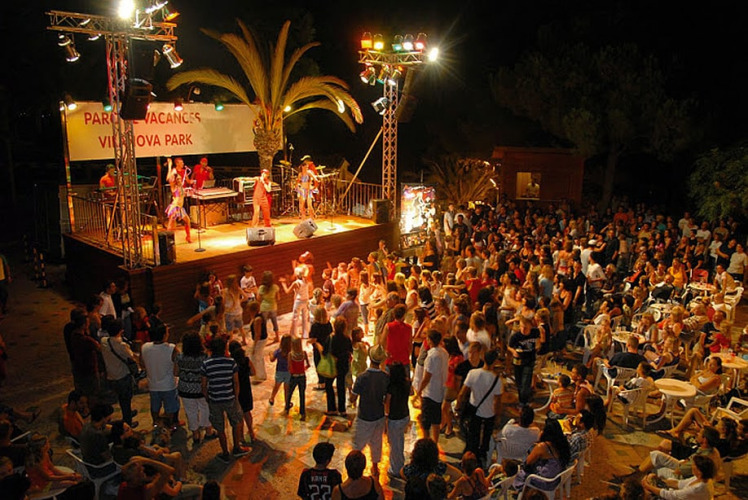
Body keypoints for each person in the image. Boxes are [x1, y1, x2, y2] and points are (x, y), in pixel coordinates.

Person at [200, 336, 250, 462]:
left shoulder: (206, 364)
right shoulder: (231, 362)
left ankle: (225, 453)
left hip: (214, 399)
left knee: (220, 427)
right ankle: (237, 447)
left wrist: (207, 397)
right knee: (236, 422)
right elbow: (236, 382)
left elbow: (204, 385)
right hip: (229, 398)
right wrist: (236, 397)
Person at [456, 349, 503, 467]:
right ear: (495, 362)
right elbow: (497, 402)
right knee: (485, 439)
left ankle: (469, 460)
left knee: (472, 438)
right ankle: (482, 459)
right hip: (489, 413)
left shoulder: (473, 373)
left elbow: (462, 393)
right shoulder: (497, 380)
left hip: (474, 411)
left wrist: (458, 407)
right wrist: (498, 416)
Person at [350, 344, 388, 478]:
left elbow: (353, 398)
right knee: (376, 443)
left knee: (357, 445)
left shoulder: (362, 377)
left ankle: (355, 470)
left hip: (364, 416)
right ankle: (375, 468)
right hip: (379, 415)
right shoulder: (385, 377)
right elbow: (386, 398)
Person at [176, 332, 215, 445]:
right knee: (205, 409)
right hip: (202, 389)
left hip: (185, 389)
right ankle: (208, 431)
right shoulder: (205, 357)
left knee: (190, 412)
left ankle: (195, 435)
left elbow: (176, 372)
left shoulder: (180, 357)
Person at [512, 418, 571, 492]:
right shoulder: (561, 444)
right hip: (555, 479)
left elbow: (528, 462)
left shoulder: (543, 447)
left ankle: (520, 489)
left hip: (544, 481)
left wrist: (539, 439)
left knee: (516, 471)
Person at [100, 318, 138, 426]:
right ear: (121, 330)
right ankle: (128, 422)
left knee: (122, 399)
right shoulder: (121, 345)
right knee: (125, 399)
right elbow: (131, 356)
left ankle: (128, 413)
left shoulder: (104, 341)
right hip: (122, 376)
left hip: (111, 376)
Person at [140, 324, 179, 428]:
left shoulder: (145, 347)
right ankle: (170, 426)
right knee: (170, 407)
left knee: (155, 406)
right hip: (168, 385)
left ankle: (156, 424)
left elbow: (142, 364)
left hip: (152, 384)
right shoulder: (172, 348)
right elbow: (177, 369)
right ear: (164, 335)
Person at [118, 455, 202, 499]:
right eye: (140, 471)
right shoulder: (146, 491)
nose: (143, 470)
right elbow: (169, 470)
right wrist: (147, 461)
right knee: (201, 489)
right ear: (136, 478)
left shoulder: (124, 486)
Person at [417, 330, 449, 443]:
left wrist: (419, 390)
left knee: (425, 422)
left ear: (429, 340)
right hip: (440, 391)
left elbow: (427, 377)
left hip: (429, 392)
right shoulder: (444, 352)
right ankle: (435, 442)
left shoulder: (431, 356)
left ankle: (426, 443)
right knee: (436, 420)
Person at [641, 455, 715, 500]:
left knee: (648, 493)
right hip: (678, 495)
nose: (692, 466)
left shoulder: (698, 489)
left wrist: (648, 486)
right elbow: (678, 483)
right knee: (652, 478)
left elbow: (671, 495)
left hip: (676, 497)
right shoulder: (699, 478)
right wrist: (659, 480)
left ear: (699, 471)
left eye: (694, 465)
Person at [508, 317, 540, 406]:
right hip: (518, 361)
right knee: (519, 382)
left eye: (525, 327)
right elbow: (509, 346)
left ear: (530, 326)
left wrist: (538, 345)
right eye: (521, 327)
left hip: (529, 360)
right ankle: (521, 398)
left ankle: (524, 402)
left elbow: (539, 339)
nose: (523, 329)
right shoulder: (516, 336)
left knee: (526, 382)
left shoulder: (535, 332)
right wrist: (513, 352)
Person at [228, 341, 256, 443]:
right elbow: (253, 372)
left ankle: (240, 437)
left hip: (234, 390)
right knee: (247, 412)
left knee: (238, 415)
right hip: (246, 389)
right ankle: (251, 432)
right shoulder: (246, 360)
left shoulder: (230, 362)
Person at [165, 157, 193, 243]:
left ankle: (188, 237)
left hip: (180, 207)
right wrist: (170, 166)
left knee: (187, 221)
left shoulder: (181, 188)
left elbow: (184, 192)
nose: (180, 180)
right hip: (175, 207)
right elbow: (168, 178)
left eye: (180, 179)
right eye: (178, 179)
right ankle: (168, 240)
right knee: (171, 224)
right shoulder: (174, 187)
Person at [79, 404, 115, 470]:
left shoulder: (86, 426)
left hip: (88, 461)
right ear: (103, 418)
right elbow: (107, 457)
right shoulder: (98, 435)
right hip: (99, 467)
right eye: (109, 417)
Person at [330, 317, 354, 416]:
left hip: (333, 364)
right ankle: (342, 409)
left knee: (329, 385)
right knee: (341, 387)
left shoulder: (332, 338)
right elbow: (351, 351)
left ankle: (332, 408)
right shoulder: (347, 338)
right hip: (343, 364)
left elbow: (329, 351)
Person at [281, 268, 310, 338]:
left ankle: (295, 334)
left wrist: (283, 284)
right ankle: (305, 334)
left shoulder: (296, 283)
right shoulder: (306, 280)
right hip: (306, 300)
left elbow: (287, 291)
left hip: (299, 301)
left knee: (295, 318)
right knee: (305, 318)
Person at [382, 304, 412, 368]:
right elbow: (410, 344)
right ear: (404, 315)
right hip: (404, 359)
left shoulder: (388, 326)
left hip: (391, 358)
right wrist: (408, 354)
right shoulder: (408, 328)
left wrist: (385, 351)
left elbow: (382, 340)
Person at [288, 337, 311, 420]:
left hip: (294, 376)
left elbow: (289, 367)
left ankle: (287, 407)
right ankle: (302, 413)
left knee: (290, 392)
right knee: (302, 395)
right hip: (302, 376)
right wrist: (303, 369)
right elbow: (308, 365)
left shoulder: (290, 354)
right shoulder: (304, 353)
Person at [244, 300, 267, 380]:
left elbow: (258, 334)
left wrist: (254, 346)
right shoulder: (255, 317)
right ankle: (261, 374)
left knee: (256, 357)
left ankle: (259, 376)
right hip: (260, 339)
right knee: (258, 356)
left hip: (260, 340)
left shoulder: (258, 319)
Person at [270, 335, 292, 409]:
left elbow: (272, 360)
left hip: (279, 371)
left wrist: (271, 354)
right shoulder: (291, 352)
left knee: (276, 386)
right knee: (287, 389)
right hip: (288, 372)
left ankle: (272, 398)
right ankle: (287, 403)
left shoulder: (278, 351)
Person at [258, 271, 281, 343]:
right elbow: (278, 298)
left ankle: (265, 338)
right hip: (273, 306)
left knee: (264, 324)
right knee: (274, 322)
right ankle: (277, 337)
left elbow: (258, 299)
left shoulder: (261, 288)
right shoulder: (275, 287)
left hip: (264, 308)